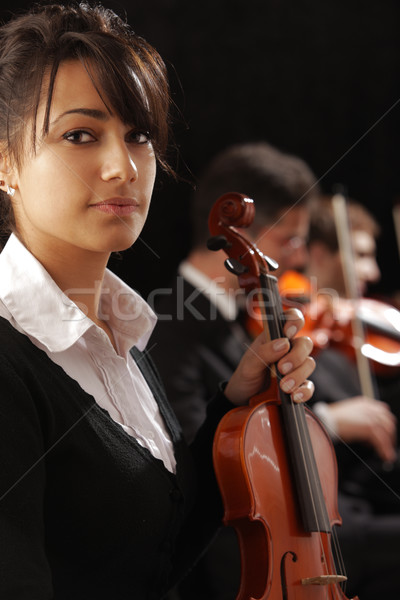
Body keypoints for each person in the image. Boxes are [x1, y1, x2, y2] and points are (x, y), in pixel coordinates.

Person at [0, 4, 315, 599]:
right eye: (80, 135)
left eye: (138, 136)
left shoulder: (127, 337)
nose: (122, 167)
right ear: (5, 161)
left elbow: (153, 557)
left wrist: (233, 406)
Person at [149, 141, 319, 599]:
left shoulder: (234, 318)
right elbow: (191, 468)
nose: (299, 260)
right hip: (225, 555)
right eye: (290, 240)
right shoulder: (168, 323)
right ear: (239, 238)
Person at [301, 194, 400, 599]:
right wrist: (333, 419)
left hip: (374, 502)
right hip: (333, 521)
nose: (373, 272)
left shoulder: (352, 340)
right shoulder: (296, 335)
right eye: (360, 256)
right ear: (320, 253)